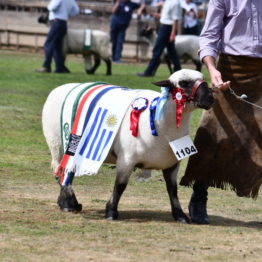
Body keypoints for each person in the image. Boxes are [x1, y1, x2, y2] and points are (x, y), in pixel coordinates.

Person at [180, 0, 262, 224]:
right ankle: (199, 194)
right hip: (229, 72)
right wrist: (212, 68)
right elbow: (209, 35)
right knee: (214, 132)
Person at [137, 0, 181, 77]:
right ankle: (178, 71)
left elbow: (175, 20)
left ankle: (148, 72)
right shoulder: (168, 1)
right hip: (165, 26)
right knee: (172, 51)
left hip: (167, 28)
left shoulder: (175, 2)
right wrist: (157, 15)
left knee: (157, 49)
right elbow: (168, 16)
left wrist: (173, 33)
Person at [36, 0, 79, 73]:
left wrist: (51, 7)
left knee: (48, 44)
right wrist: (65, 12)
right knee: (57, 47)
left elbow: (51, 7)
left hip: (56, 22)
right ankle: (60, 67)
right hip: (64, 23)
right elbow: (75, 11)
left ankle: (46, 66)